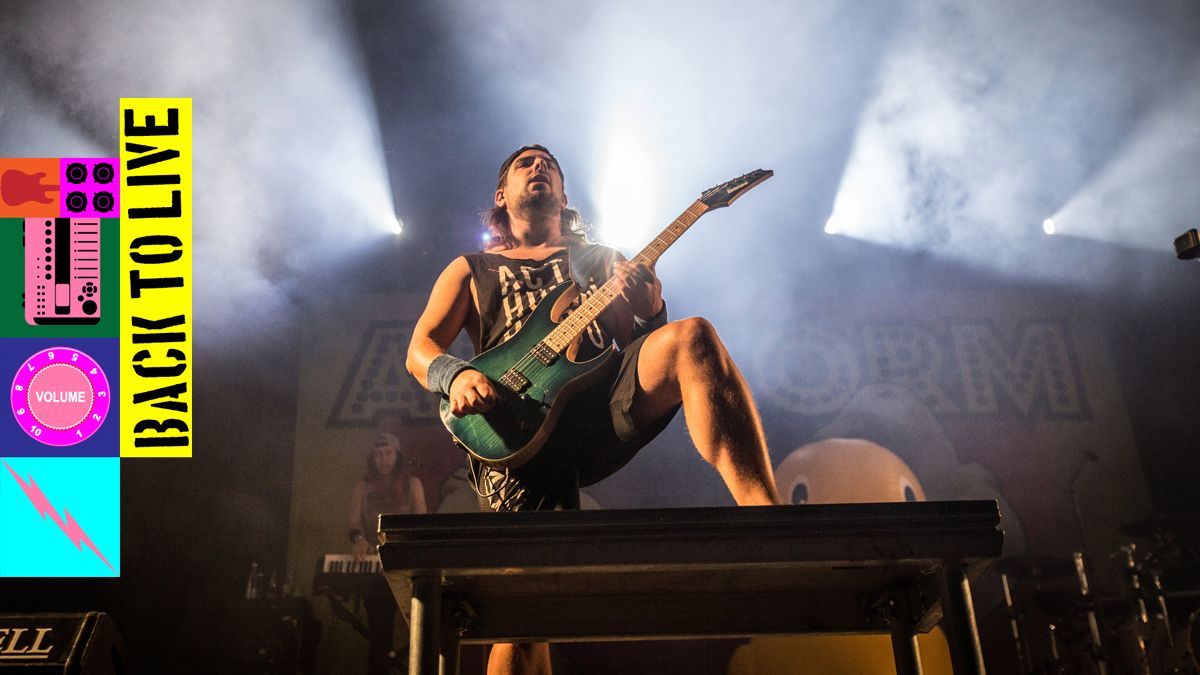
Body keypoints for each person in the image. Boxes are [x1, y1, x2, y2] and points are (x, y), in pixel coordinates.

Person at [406, 144, 780, 675]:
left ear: (562, 194)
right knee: (523, 614)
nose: (540, 168)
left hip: (595, 404)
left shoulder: (601, 260)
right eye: (525, 164)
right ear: (501, 195)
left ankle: (772, 524)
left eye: (550, 166)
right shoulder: (472, 268)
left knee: (691, 337)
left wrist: (651, 311)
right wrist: (456, 374)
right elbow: (420, 348)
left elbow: (635, 350)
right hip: (514, 428)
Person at [347, 432, 427, 675]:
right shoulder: (362, 486)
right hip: (375, 568)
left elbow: (422, 524)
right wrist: (358, 540)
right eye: (378, 454)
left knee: (417, 635)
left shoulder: (412, 483)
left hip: (405, 569)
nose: (383, 459)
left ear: (397, 455)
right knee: (378, 636)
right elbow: (353, 524)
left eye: (388, 453)